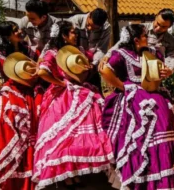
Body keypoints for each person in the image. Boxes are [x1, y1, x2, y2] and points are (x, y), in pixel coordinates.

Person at [32, 21, 113, 189]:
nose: (76, 35)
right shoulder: (53, 53)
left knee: (78, 138)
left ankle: (74, 171)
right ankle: (65, 174)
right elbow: (42, 71)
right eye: (72, 32)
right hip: (62, 96)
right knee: (64, 138)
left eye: (76, 32)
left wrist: (91, 66)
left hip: (80, 90)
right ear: (63, 35)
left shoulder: (80, 51)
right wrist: (60, 83)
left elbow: (90, 63)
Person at [101, 25, 174, 189]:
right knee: (138, 135)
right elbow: (105, 71)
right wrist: (124, 87)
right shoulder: (121, 54)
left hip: (155, 93)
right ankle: (141, 175)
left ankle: (161, 177)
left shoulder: (153, 52)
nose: (149, 38)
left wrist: (166, 72)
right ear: (136, 40)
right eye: (145, 36)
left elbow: (160, 71)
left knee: (164, 125)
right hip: (134, 97)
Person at [0, 21, 41, 190]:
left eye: (18, 29)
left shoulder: (29, 50)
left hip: (29, 94)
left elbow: (41, 64)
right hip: (10, 94)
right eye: (15, 30)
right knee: (6, 128)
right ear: (7, 36)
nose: (20, 31)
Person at [103, 8, 174, 79]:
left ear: (169, 27)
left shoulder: (170, 39)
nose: (158, 28)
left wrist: (170, 69)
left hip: (154, 77)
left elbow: (172, 56)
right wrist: (108, 55)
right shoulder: (141, 29)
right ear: (156, 16)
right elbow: (123, 42)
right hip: (133, 73)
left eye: (163, 27)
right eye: (157, 23)